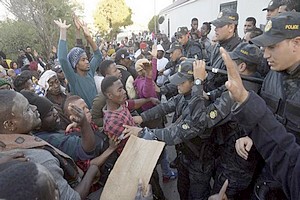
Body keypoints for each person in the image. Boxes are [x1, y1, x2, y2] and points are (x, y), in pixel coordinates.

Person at [234, 11, 300, 199]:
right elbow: (266, 115)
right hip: (263, 178)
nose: (265, 54)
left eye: (272, 46)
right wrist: (251, 136)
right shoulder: (273, 74)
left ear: (296, 43)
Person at [55, 18, 102, 109]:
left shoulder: (90, 72)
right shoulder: (74, 79)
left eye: (87, 59)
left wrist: (88, 37)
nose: (87, 61)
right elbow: (62, 59)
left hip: (98, 113)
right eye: (83, 60)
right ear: (75, 64)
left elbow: (98, 56)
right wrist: (63, 31)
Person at [206, 8, 241, 92]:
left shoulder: (238, 51)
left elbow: (231, 86)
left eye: (220, 26)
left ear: (231, 27)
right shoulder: (217, 45)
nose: (215, 29)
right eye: (216, 26)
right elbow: (211, 65)